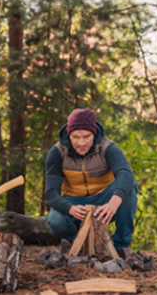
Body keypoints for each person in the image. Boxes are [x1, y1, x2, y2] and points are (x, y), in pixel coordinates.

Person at [45, 108, 138, 252]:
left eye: (86, 136)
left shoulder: (108, 148)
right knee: (56, 220)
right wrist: (69, 208)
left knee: (130, 186)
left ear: (94, 134)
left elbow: (125, 173)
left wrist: (114, 202)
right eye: (75, 137)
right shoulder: (57, 153)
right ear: (68, 134)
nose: (81, 143)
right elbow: (51, 194)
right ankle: (73, 243)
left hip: (104, 199)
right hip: (73, 201)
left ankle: (121, 246)